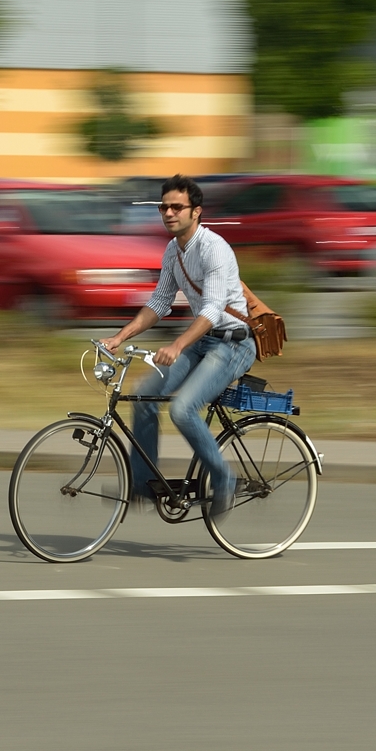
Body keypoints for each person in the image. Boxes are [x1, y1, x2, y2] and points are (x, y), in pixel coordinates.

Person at [99, 175, 256, 520]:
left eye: (177, 206)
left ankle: (225, 479)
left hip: (233, 345)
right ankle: (142, 485)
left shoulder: (214, 248)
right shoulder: (173, 250)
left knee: (183, 409)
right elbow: (159, 301)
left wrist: (177, 344)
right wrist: (119, 337)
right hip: (202, 342)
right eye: (163, 206)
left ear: (196, 212)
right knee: (143, 397)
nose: (168, 212)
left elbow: (213, 311)